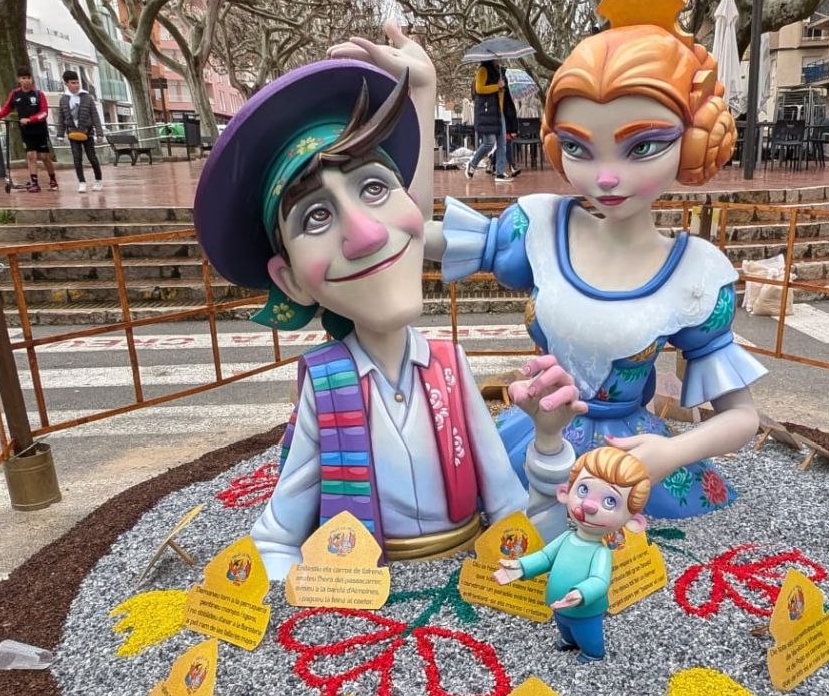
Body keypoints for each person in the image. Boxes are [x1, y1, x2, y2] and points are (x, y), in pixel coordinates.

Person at [192, 34, 574, 579]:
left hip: (465, 580)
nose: (368, 234)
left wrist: (549, 439)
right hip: (366, 588)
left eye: (374, 188)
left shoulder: (450, 365)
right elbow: (278, 536)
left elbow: (513, 514)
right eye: (317, 218)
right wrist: (299, 603)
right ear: (291, 281)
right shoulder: (327, 387)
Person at [440, 0, 767, 521]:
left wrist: (672, 453)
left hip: (630, 460)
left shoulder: (695, 276)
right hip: (533, 435)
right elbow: (435, 240)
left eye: (642, 147)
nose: (607, 177)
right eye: (578, 147)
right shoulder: (541, 228)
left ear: (693, 143)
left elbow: (741, 416)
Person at [494, 446, 650, 664]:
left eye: (609, 502)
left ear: (633, 522)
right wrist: (521, 567)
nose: (588, 505)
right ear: (565, 493)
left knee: (588, 634)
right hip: (558, 604)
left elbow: (599, 580)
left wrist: (581, 593)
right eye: (583, 490)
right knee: (565, 628)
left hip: (585, 609)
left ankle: (592, 654)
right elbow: (546, 557)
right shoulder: (566, 538)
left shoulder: (601, 552)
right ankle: (568, 641)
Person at [0, 67, 58, 192]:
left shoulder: (38, 94)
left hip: (40, 130)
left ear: (32, 79)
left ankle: (53, 179)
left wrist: (31, 119)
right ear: (19, 80)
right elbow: (7, 108)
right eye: (23, 78)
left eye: (28, 78)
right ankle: (34, 183)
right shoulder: (15, 94)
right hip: (26, 131)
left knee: (44, 156)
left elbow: (44, 112)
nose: (26, 81)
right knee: (31, 156)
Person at [59, 70, 104, 193]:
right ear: (67, 84)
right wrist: (60, 135)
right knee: (76, 158)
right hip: (73, 133)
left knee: (92, 157)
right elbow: (61, 118)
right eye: (73, 83)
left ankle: (98, 179)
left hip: (87, 132)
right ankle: (82, 182)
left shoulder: (86, 97)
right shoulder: (64, 99)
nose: (76, 85)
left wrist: (99, 132)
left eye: (77, 82)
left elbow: (95, 115)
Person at [465, 59, 505, 178]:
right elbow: (479, 89)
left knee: (502, 143)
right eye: (498, 57)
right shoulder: (483, 70)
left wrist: (502, 89)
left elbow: (499, 92)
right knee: (489, 142)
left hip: (498, 112)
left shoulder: (499, 72)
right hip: (486, 112)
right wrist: (497, 86)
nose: (500, 59)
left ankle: (500, 172)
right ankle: (472, 164)